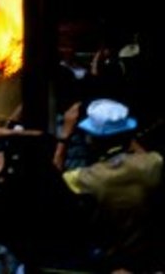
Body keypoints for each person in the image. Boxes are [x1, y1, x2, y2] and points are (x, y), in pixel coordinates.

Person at [56, 98, 164, 272]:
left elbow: (51, 183)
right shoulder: (154, 163)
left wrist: (64, 136)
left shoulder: (85, 178)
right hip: (150, 259)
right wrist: (125, 134)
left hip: (110, 262)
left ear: (91, 139)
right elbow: (146, 156)